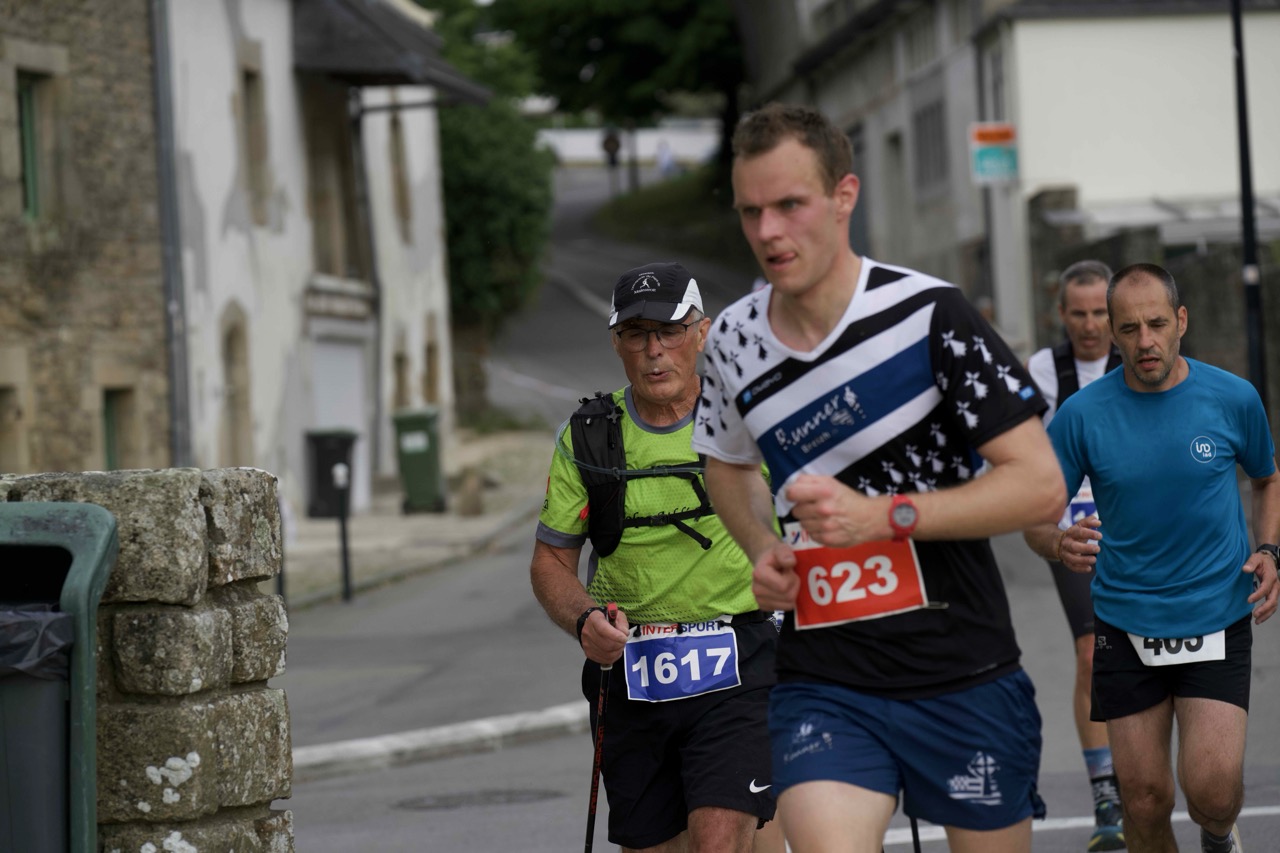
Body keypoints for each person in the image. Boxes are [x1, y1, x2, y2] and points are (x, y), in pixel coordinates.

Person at [693, 101, 1067, 853]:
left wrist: (884, 517)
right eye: (750, 212)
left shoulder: (930, 317)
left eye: (790, 205)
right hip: (824, 680)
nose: (768, 231)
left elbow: (1039, 485)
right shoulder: (732, 339)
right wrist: (762, 546)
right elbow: (726, 464)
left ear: (844, 196)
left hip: (962, 668)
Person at [1024, 262, 1279, 853]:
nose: (1145, 341)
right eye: (1129, 328)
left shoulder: (1233, 397)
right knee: (1142, 801)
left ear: (1181, 321)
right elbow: (1033, 512)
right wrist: (1055, 541)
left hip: (1216, 614)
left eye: (1157, 324)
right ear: (1112, 334)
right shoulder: (1082, 414)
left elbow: (1267, 479)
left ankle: (1218, 836)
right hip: (1125, 620)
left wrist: (1269, 549)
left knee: (1213, 792)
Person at [530, 261, 782, 852]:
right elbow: (550, 562)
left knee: (718, 838)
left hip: (740, 659)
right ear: (616, 342)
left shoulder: (749, 422)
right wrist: (584, 621)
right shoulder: (588, 436)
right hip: (631, 672)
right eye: (636, 334)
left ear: (702, 333)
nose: (654, 351)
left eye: (670, 331)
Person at [1025, 259, 1126, 851]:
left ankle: (1147, 778)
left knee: (1147, 653)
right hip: (1072, 527)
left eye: (1099, 313)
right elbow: (1022, 449)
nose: (1090, 326)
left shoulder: (1138, 358)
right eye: (1079, 314)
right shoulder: (1043, 371)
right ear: (1060, 315)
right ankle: (1105, 792)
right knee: (1091, 653)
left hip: (1134, 525)